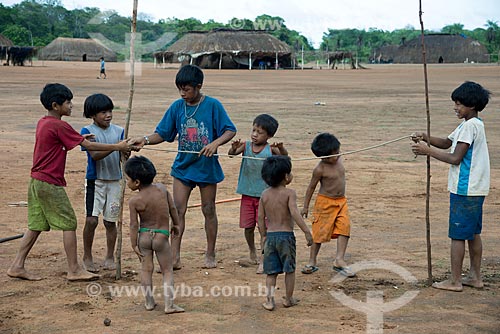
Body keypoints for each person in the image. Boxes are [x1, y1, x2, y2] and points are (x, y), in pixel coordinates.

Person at [6, 83, 132, 281]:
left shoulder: (44, 122)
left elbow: (70, 140)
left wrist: (80, 138)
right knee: (69, 223)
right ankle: (74, 269)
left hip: (36, 180)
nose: (72, 105)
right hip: (49, 181)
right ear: (56, 106)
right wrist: (117, 146)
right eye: (68, 102)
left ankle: (17, 265)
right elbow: (89, 145)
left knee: (36, 225)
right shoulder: (60, 125)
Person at [131, 64, 236, 269]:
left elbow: (229, 130)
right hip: (183, 168)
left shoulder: (213, 105)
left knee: (209, 209)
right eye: (179, 89)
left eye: (186, 89)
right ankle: (175, 256)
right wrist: (144, 139)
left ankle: (210, 253)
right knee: (178, 211)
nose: (182, 93)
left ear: (198, 86)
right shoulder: (177, 107)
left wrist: (215, 144)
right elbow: (162, 133)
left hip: (206, 168)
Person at [411, 81, 491, 292]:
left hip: (465, 188)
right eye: (455, 103)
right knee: (473, 232)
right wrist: (426, 138)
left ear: (472, 105)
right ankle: (474, 276)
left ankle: (455, 281)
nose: (455, 107)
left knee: (458, 235)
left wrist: (427, 151)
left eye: (459, 104)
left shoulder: (469, 126)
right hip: (476, 188)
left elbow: (455, 157)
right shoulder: (472, 124)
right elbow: (447, 143)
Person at [125, 156, 184, 313]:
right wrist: (176, 224)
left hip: (144, 236)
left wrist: (133, 244)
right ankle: (169, 305)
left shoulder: (134, 201)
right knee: (167, 270)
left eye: (127, 179)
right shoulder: (162, 189)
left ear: (137, 182)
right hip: (161, 236)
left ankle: (149, 302)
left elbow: (134, 224)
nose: (126, 182)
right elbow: (173, 209)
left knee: (146, 270)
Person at [228, 114, 287, 270]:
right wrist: (233, 148)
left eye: (259, 132)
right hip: (247, 194)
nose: (254, 134)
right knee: (248, 227)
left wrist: (281, 149)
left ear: (269, 135)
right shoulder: (246, 146)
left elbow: (285, 159)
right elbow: (231, 154)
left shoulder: (271, 149)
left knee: (264, 228)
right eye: (253, 130)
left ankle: (264, 258)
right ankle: (252, 252)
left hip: (265, 196)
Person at [258, 156, 313, 311]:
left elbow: (260, 218)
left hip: (270, 237)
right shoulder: (289, 193)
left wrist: (263, 236)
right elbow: (295, 213)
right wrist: (307, 232)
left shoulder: (264, 195)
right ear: (286, 177)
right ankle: (288, 299)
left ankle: (269, 301)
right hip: (286, 237)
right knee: (289, 269)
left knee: (271, 272)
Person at [81, 93, 126, 272]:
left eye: (110, 111)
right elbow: (95, 154)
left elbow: (123, 155)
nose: (108, 115)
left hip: (115, 181)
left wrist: (127, 149)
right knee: (91, 220)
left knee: (110, 221)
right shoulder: (87, 132)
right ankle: (87, 256)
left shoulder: (119, 130)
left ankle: (109, 256)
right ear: (93, 115)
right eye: (103, 112)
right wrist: (117, 146)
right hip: (96, 181)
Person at [300, 133, 355, 277]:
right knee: (319, 233)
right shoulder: (320, 169)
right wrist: (305, 206)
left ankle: (339, 259)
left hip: (341, 202)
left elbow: (337, 153)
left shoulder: (339, 158)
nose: (336, 156)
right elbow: (311, 187)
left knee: (345, 227)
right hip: (324, 203)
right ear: (322, 157)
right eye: (332, 155)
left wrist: (337, 154)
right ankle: (312, 261)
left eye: (337, 152)